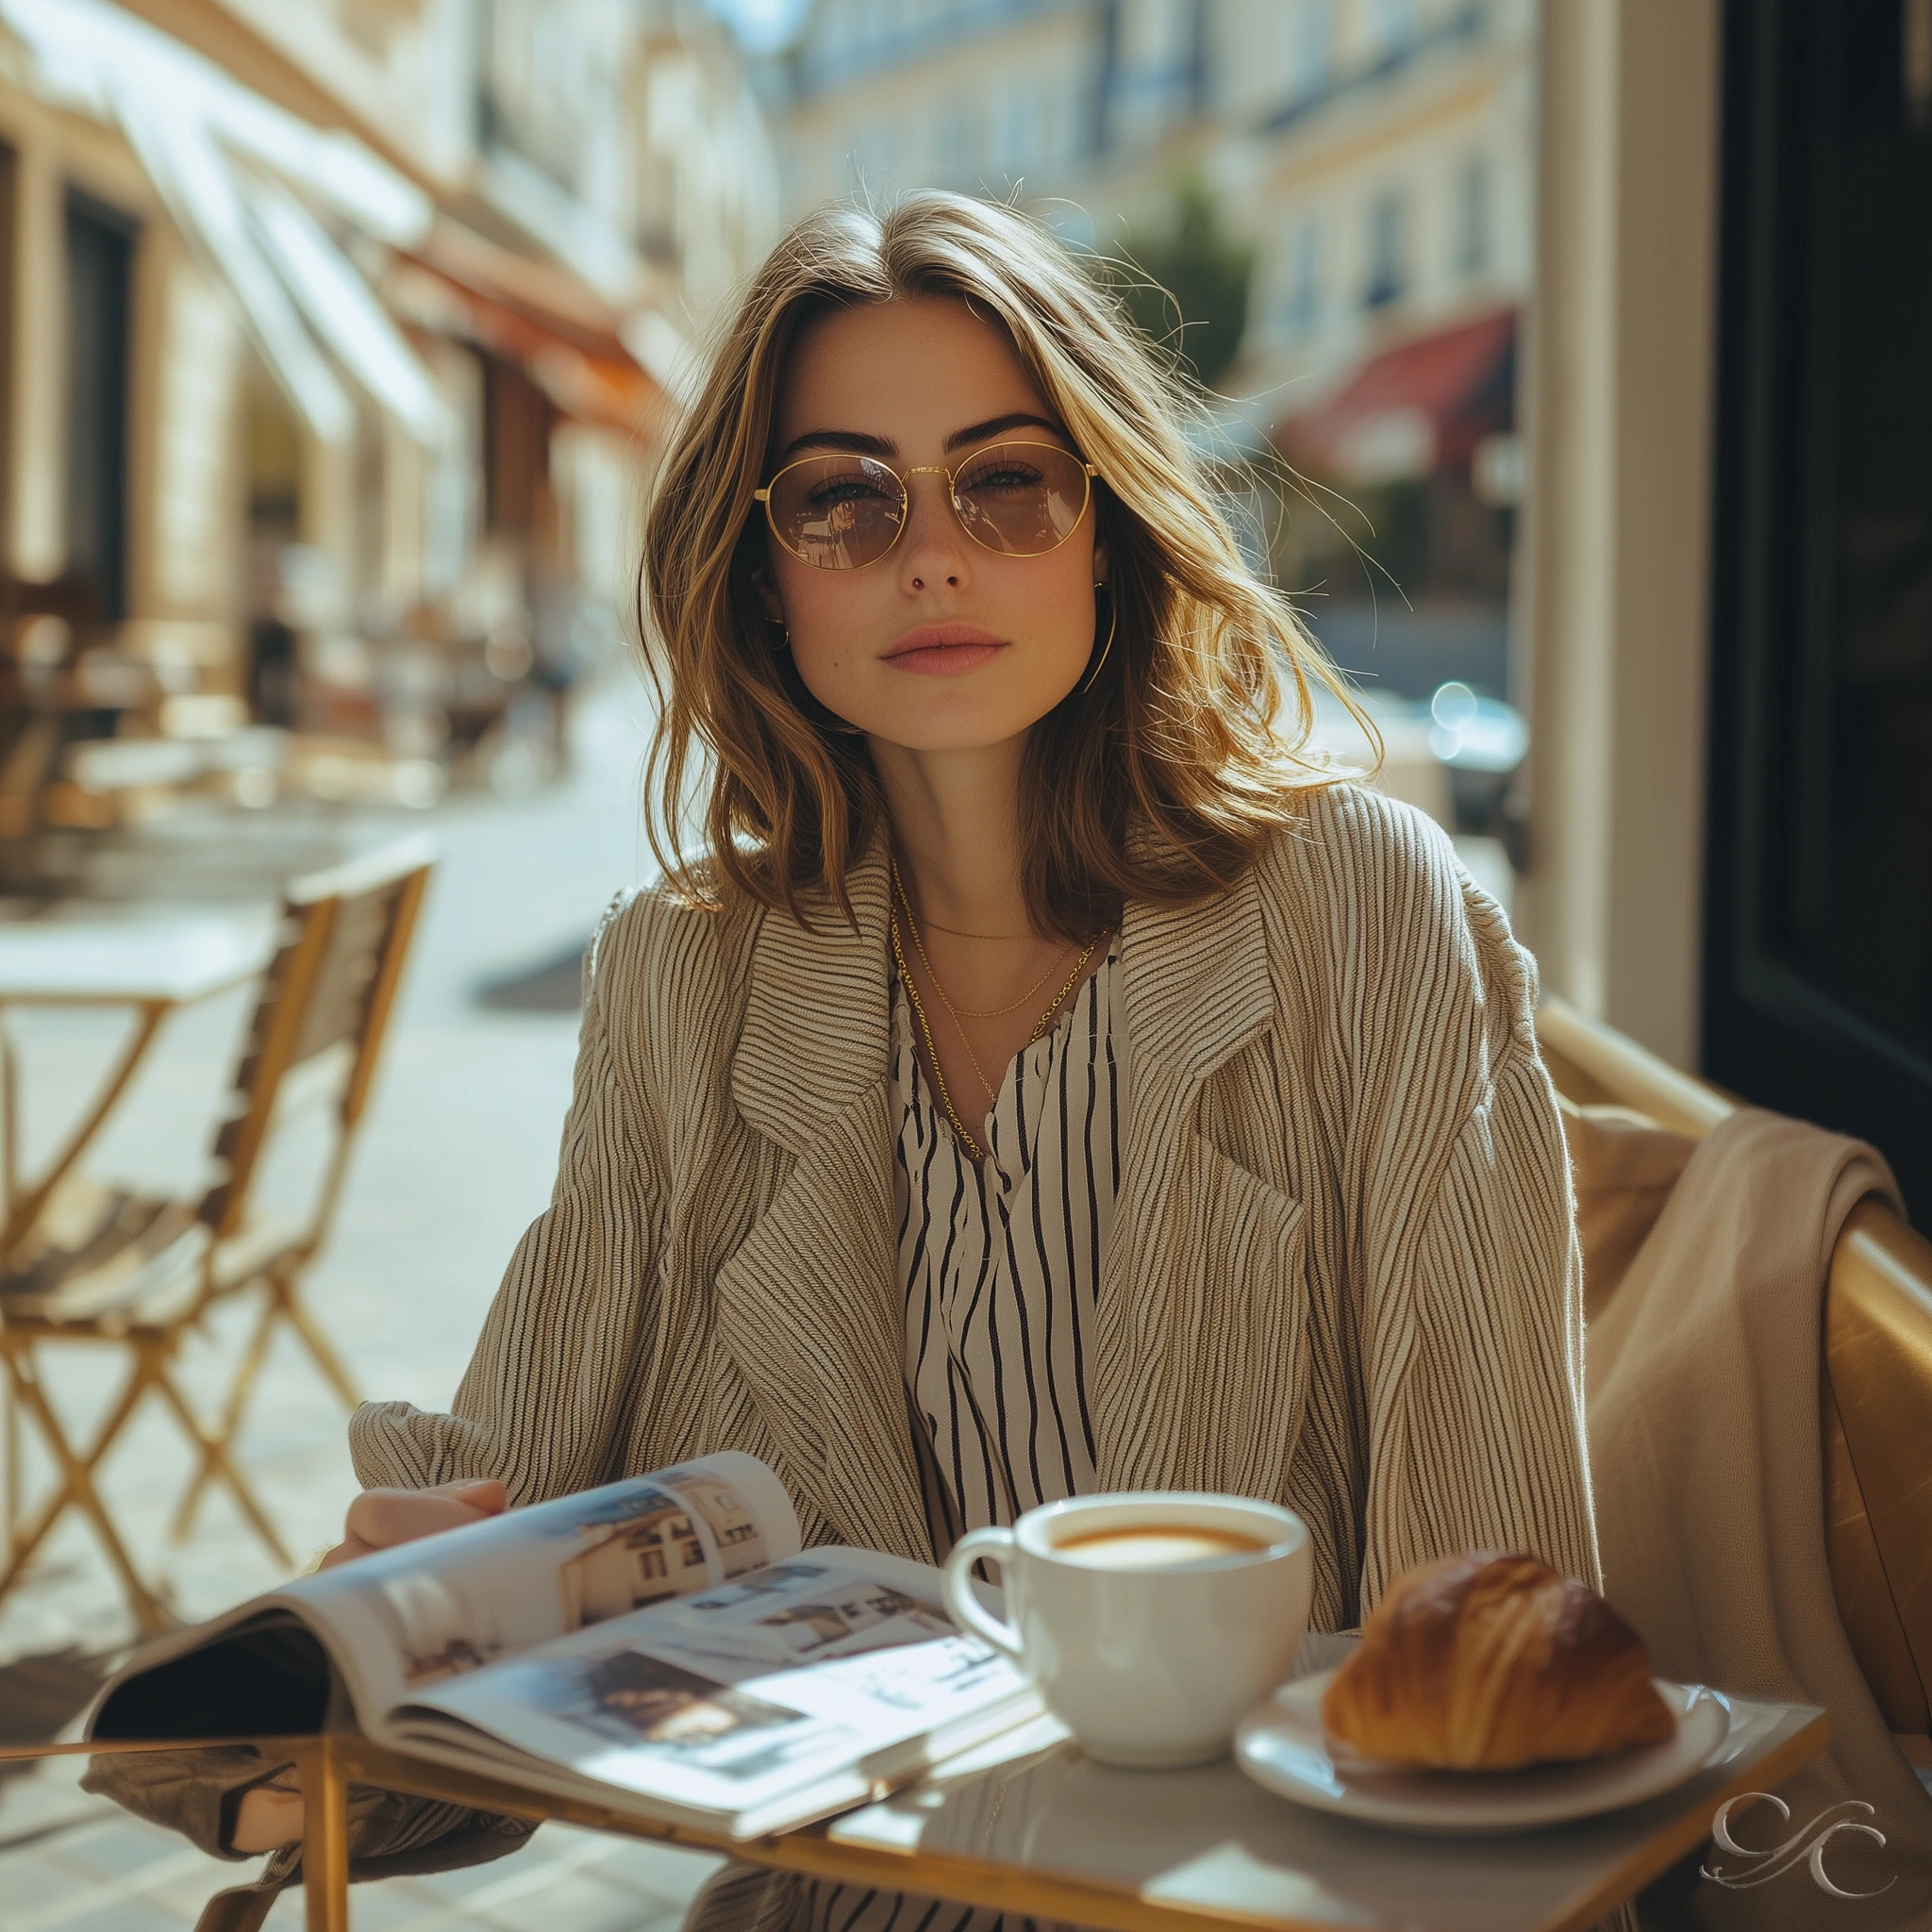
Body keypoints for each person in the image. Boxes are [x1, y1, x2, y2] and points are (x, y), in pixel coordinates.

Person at [91, 192, 1603, 1929]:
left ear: (1105, 526)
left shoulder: (1360, 912)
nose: (931, 557)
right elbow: (521, 1513)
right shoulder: (683, 980)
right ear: (765, 571)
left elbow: (1496, 1616)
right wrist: (362, 1657)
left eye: (1006, 482)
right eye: (843, 499)